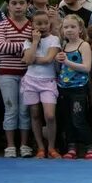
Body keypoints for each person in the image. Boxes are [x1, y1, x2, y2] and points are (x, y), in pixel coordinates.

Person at [0, 0, 34, 158]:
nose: (18, 7)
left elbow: (36, 50)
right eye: (14, 3)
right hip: (7, 74)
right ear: (8, 6)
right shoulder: (1, 25)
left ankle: (25, 145)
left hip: (28, 74)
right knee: (10, 109)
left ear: (28, 5)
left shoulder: (33, 26)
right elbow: (2, 47)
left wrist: (30, 48)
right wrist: (26, 46)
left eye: (21, 3)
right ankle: (10, 146)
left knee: (24, 111)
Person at [56, 15, 92, 160]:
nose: (69, 30)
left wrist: (67, 62)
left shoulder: (83, 45)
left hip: (79, 88)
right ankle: (72, 146)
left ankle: (90, 145)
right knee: (67, 119)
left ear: (80, 29)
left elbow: (86, 67)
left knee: (78, 118)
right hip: (63, 87)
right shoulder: (64, 45)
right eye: (66, 27)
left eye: (73, 27)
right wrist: (59, 60)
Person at [21, 11, 61, 158]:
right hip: (31, 81)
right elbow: (27, 60)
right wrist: (35, 42)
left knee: (50, 115)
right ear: (32, 25)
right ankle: (40, 147)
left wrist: (30, 59)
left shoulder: (54, 39)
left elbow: (48, 59)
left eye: (45, 23)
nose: (43, 26)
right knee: (35, 114)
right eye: (39, 23)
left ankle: (51, 147)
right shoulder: (28, 41)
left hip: (48, 81)